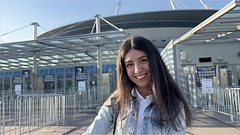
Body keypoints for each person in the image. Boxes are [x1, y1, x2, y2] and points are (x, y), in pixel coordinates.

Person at [83, 36, 191, 135]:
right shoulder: (117, 101)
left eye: (143, 60)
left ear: (155, 61)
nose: (137, 70)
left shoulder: (173, 104)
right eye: (130, 65)